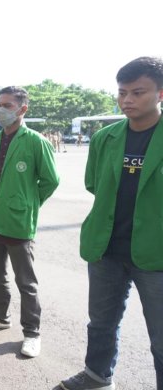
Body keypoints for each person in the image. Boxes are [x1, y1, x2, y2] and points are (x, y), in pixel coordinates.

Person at [60, 56, 163, 390]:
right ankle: (96, 377)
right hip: (106, 248)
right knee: (101, 323)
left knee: (160, 337)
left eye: (138, 92)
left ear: (160, 94)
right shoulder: (106, 138)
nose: (127, 100)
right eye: (122, 93)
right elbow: (94, 183)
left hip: (155, 254)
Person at [0, 86, 59, 358]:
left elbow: (51, 180)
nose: (1, 110)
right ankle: (0, 317)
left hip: (18, 223)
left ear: (23, 109)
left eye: (8, 105)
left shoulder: (36, 141)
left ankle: (32, 333)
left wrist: (29, 203)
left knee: (26, 282)